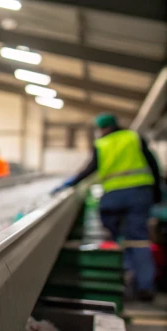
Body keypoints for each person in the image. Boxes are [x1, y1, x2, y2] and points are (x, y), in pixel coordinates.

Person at [53, 113, 161, 300]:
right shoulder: (133, 137)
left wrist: (69, 183)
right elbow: (153, 163)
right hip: (139, 194)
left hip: (114, 197)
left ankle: (126, 274)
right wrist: (157, 189)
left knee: (117, 235)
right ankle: (145, 285)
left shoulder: (101, 144)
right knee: (139, 239)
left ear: (102, 129)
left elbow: (90, 169)